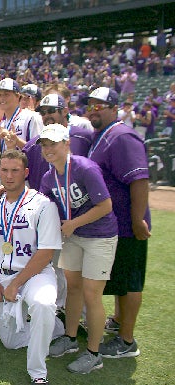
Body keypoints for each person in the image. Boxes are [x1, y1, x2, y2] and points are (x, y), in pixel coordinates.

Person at [38, 124, 118, 374]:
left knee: (92, 294)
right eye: (44, 145)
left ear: (66, 143)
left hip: (99, 236)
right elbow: (43, 206)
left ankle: (94, 353)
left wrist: (73, 224)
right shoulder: (48, 177)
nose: (48, 149)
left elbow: (105, 205)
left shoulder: (84, 167)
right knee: (73, 289)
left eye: (53, 143)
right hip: (73, 236)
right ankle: (71, 339)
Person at [0, 149, 63, 385]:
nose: (8, 176)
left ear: (26, 173)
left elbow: (47, 252)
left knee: (42, 303)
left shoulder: (42, 204)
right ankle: (55, 328)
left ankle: (38, 372)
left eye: (15, 170)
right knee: (9, 341)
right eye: (4, 170)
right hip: (4, 275)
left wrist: (16, 284)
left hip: (35, 274)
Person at [83, 87, 151, 358]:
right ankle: (120, 321)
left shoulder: (122, 136)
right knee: (121, 279)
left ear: (114, 108)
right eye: (90, 105)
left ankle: (126, 341)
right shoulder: (103, 135)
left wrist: (137, 220)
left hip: (127, 224)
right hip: (113, 224)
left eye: (100, 106)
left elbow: (140, 180)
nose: (93, 110)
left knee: (131, 282)